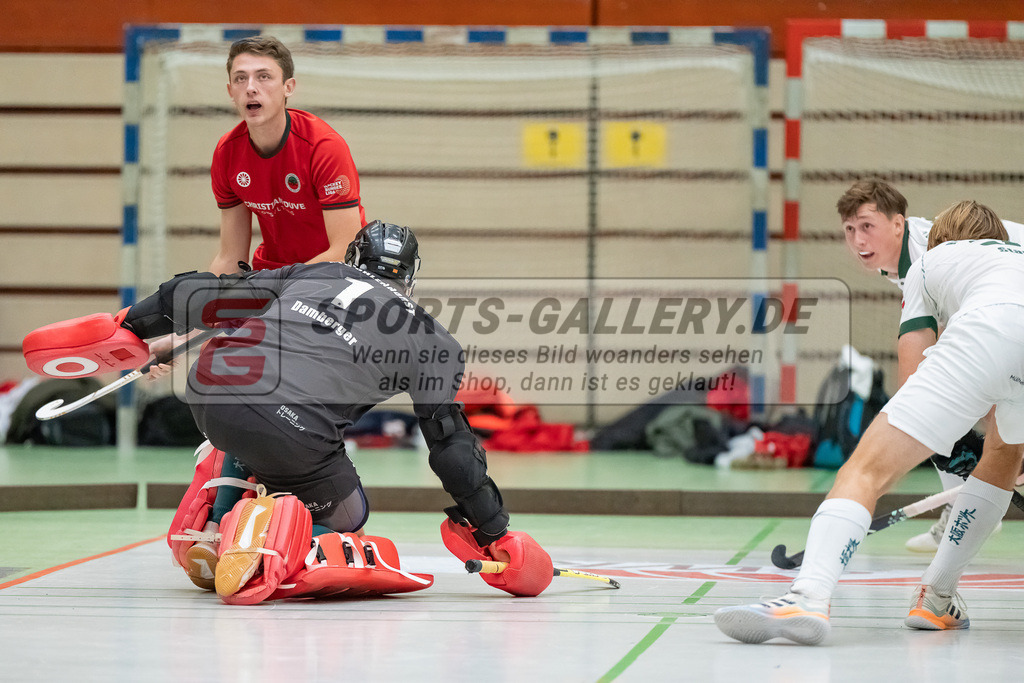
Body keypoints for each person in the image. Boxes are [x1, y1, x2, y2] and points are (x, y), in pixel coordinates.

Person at [124, 221, 552, 601]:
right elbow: (452, 451)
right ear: (410, 276)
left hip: (208, 395)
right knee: (351, 518)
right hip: (294, 433)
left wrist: (131, 327)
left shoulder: (314, 271)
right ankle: (256, 538)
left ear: (352, 257)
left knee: (255, 421)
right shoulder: (434, 341)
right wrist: (494, 530)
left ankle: (215, 527)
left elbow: (201, 295)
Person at [715, 200, 1024, 645]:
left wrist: (944, 443)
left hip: (979, 340)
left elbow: (913, 364)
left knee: (866, 469)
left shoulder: (929, 259)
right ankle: (936, 599)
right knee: (1005, 456)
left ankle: (809, 596)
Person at [838, 179, 1024, 552]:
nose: (858, 240)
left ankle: (963, 511)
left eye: (867, 226)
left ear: (898, 224)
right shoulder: (906, 263)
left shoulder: (930, 254)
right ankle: (959, 512)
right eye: (849, 229)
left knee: (936, 413)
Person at [209, 36, 366, 275]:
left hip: (335, 275)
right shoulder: (227, 152)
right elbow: (231, 256)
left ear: (288, 87)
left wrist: (282, 285)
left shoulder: (323, 147)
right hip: (272, 275)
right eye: (241, 78)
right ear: (231, 91)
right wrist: (207, 300)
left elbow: (344, 249)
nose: (250, 87)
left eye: (264, 76)